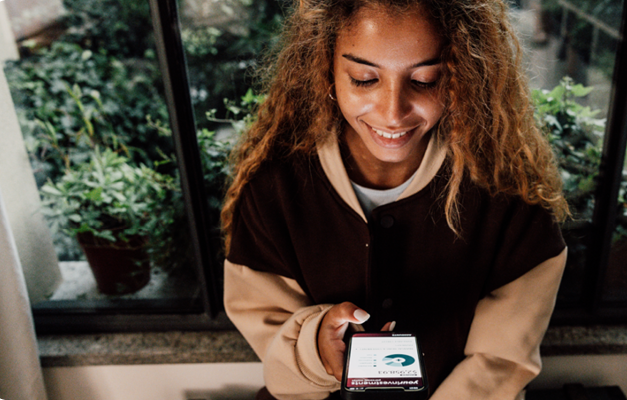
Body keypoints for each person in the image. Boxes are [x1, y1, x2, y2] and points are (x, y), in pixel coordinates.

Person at [221, 0, 570, 398]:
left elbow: (501, 362)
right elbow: (266, 323)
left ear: (465, 75)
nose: (392, 113)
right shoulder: (275, 190)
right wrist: (313, 347)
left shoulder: (509, 195)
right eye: (364, 79)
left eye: (424, 81)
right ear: (326, 71)